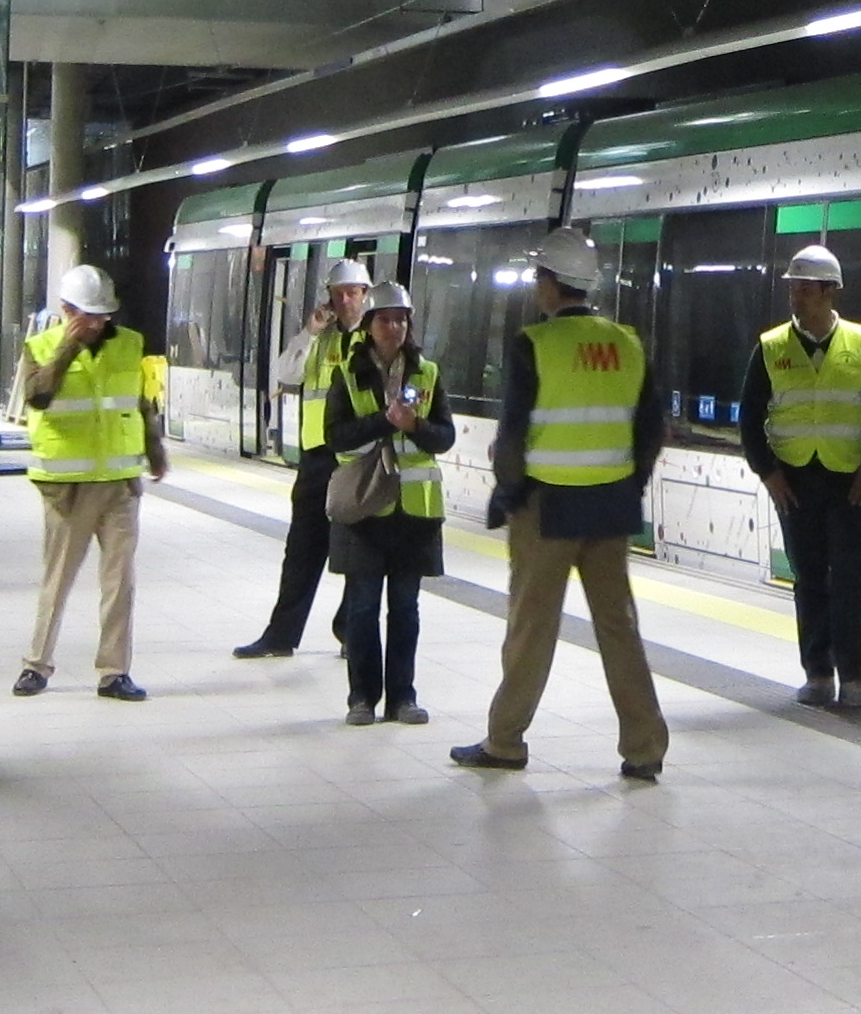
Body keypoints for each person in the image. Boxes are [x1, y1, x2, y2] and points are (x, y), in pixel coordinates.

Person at [452, 226, 668, 780]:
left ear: (551, 283)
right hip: (611, 509)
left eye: (538, 276)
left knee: (532, 626)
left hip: (546, 508)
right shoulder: (629, 343)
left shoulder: (534, 344)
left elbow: (515, 434)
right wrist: (628, 485)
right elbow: (650, 430)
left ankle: (505, 741)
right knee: (618, 627)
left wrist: (508, 495)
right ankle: (644, 748)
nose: (536, 286)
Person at [733, 243, 861, 710]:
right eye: (793, 288)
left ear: (829, 292)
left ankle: (856, 676)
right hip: (795, 481)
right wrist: (768, 473)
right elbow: (750, 418)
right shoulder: (771, 348)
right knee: (809, 577)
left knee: (850, 578)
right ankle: (817, 672)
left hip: (850, 481)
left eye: (804, 289)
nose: (796, 297)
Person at [13, 263, 163, 698]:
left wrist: (155, 451)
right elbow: (37, 395)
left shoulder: (131, 345)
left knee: (120, 582)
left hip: (119, 483)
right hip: (67, 487)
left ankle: (114, 671)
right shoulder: (40, 347)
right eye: (86, 314)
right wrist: (68, 348)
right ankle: (36, 665)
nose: (96, 323)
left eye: (102, 315)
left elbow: (142, 402)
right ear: (65, 308)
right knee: (57, 580)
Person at [324, 281, 454, 726]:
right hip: (363, 509)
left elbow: (445, 437)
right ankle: (361, 697)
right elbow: (335, 437)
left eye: (401, 319)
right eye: (385, 319)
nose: (394, 327)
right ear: (369, 325)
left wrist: (415, 425)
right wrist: (385, 421)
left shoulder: (428, 373)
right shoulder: (346, 374)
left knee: (406, 609)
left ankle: (403, 697)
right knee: (362, 608)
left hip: (414, 512)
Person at [235, 256, 370, 658]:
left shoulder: (376, 337)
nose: (346, 300)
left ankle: (351, 630)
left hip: (360, 460)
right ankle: (281, 635)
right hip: (317, 459)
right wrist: (309, 332)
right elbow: (286, 374)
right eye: (339, 293)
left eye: (353, 293)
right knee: (301, 550)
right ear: (329, 297)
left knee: (358, 549)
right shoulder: (321, 338)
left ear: (365, 295)